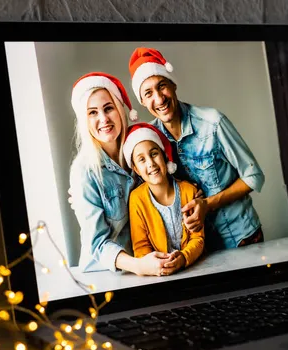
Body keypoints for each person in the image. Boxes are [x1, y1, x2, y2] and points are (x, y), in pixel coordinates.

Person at [128, 47, 266, 251]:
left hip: (241, 237)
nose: (158, 98)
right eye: (148, 93)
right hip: (198, 247)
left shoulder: (213, 123)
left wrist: (207, 205)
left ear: (174, 85)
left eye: (162, 86)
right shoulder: (150, 140)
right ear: (142, 101)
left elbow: (254, 176)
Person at [69, 71, 174, 276]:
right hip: (107, 275)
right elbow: (98, 244)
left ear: (119, 109)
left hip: (150, 265)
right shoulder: (84, 171)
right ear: (84, 120)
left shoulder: (139, 147)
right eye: (92, 112)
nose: (103, 119)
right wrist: (139, 265)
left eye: (109, 108)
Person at [123, 123, 204, 275]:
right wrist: (157, 265)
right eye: (141, 160)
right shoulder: (136, 199)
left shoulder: (189, 191)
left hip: (194, 269)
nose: (151, 163)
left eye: (154, 154)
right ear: (135, 169)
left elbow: (198, 238)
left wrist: (184, 258)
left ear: (164, 155)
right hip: (158, 275)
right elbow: (141, 247)